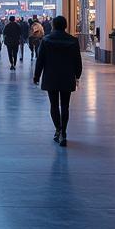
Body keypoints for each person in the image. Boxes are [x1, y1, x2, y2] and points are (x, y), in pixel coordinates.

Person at [33, 14, 82, 147]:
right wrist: (77, 75)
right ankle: (64, 132)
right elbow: (77, 60)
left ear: (53, 25)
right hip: (67, 76)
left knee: (54, 105)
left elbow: (40, 60)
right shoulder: (73, 40)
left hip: (51, 76)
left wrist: (36, 76)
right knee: (65, 105)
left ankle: (58, 130)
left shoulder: (46, 40)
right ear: (65, 26)